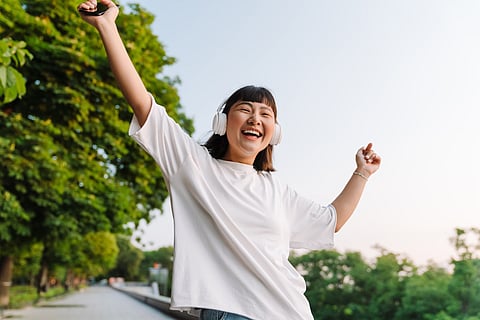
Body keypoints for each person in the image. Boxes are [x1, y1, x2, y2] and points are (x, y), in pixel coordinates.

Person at [77, 1, 381, 319]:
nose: (255, 119)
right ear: (223, 122)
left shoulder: (276, 190)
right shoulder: (191, 164)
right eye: (245, 109)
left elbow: (331, 221)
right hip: (231, 313)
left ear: (274, 132)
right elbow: (142, 102)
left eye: (265, 114)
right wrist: (106, 25)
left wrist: (361, 173)